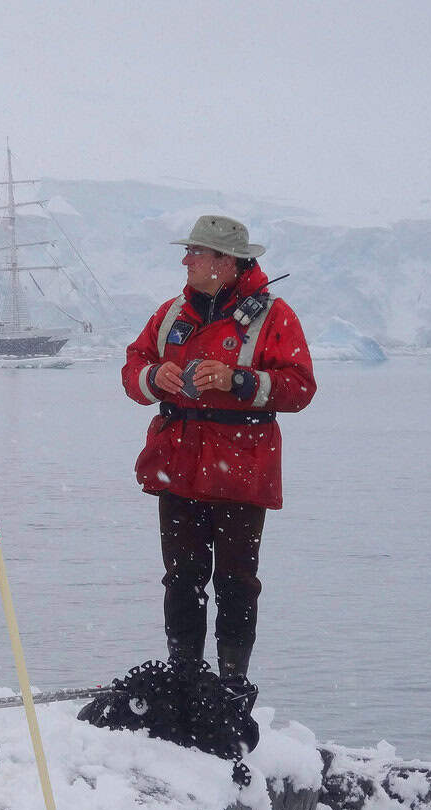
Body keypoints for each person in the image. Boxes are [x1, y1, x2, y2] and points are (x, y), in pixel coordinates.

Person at [122, 215, 316, 682]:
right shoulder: (171, 313)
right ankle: (184, 677)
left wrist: (240, 381)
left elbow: (301, 389)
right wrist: (153, 377)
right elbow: (134, 367)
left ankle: (231, 686)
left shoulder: (275, 316)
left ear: (225, 262)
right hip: (178, 465)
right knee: (181, 580)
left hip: (240, 473)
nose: (185, 260)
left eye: (195, 252)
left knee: (235, 584)